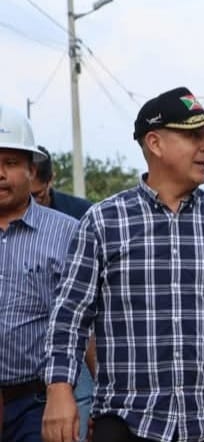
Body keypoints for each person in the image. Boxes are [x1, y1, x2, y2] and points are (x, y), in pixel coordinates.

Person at [41, 87, 204, 442]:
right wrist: (59, 390)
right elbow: (70, 315)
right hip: (127, 420)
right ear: (155, 143)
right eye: (193, 136)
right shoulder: (104, 221)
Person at [0, 105, 78, 442]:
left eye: (10, 163)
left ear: (31, 170)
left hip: (37, 404)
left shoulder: (67, 233)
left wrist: (102, 404)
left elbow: (83, 322)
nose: (0, 174)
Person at [32, 144, 95, 442]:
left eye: (37, 196)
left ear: (49, 181)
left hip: (75, 345)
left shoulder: (80, 216)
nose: (32, 204)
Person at [30, 146, 93, 219]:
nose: (30, 202)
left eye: (35, 195)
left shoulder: (83, 212)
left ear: (51, 180)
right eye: (23, 195)